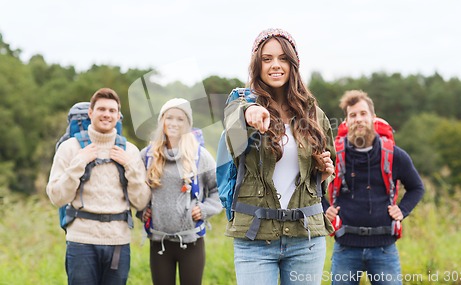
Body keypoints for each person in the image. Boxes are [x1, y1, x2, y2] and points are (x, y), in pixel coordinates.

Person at [223, 28, 335, 285]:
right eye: (267, 59)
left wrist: (325, 172)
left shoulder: (314, 115)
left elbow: (324, 176)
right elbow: (233, 131)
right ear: (257, 64)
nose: (276, 65)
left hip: (305, 238)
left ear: (293, 64)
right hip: (254, 238)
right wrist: (249, 110)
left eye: (283, 58)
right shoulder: (239, 107)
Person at [46, 87, 151, 285]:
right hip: (81, 241)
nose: (106, 114)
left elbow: (141, 201)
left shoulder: (130, 151)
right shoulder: (70, 148)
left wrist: (130, 166)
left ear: (118, 116)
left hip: (118, 242)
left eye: (112, 111)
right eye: (101, 109)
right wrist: (79, 163)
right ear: (91, 113)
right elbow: (56, 197)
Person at [325, 90, 425, 285]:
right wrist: (324, 209)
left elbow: (417, 187)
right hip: (345, 246)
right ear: (346, 121)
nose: (358, 119)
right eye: (352, 115)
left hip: (384, 248)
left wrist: (402, 210)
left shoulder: (395, 155)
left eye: (363, 114)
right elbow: (311, 184)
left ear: (373, 117)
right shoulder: (334, 153)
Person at [141, 98, 222, 285]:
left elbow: (218, 189)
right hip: (159, 242)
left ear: (188, 124)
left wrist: (205, 209)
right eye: (169, 117)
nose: (174, 123)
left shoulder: (200, 155)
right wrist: (141, 211)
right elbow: (137, 189)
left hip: (191, 242)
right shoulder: (148, 155)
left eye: (180, 119)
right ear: (162, 121)